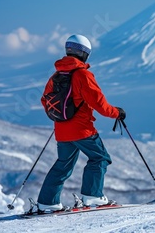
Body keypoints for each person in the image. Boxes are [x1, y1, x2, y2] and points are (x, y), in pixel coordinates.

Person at [37, 34, 125, 211]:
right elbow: (99, 104)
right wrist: (117, 113)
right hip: (82, 130)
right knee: (99, 158)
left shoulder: (55, 76)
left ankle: (48, 202)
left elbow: (44, 101)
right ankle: (93, 196)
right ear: (85, 54)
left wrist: (61, 118)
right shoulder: (82, 75)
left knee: (63, 166)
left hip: (61, 130)